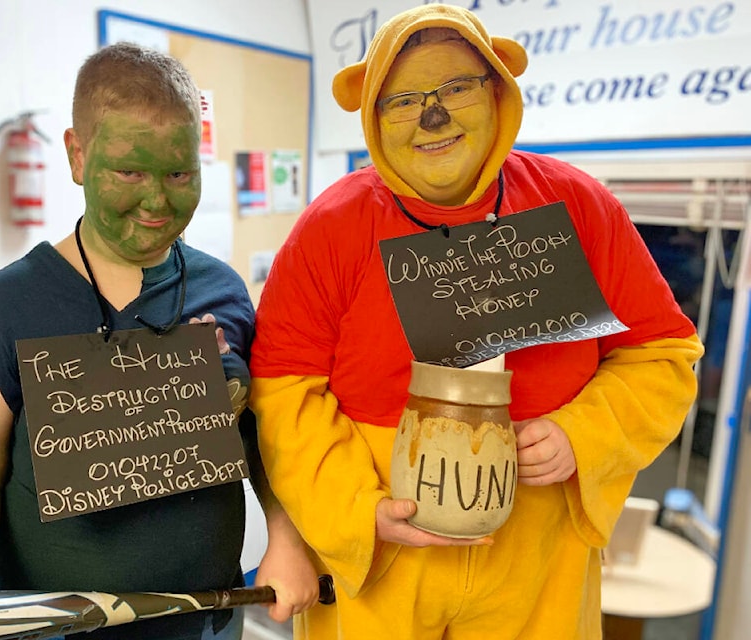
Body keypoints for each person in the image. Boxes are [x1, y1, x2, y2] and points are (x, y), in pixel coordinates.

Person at [248, 5, 703, 640]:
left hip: (539, 556)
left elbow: (664, 352)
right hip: (384, 559)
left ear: (498, 92)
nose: (432, 116)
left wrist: (585, 433)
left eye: (456, 87)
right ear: (372, 117)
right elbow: (283, 390)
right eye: (402, 99)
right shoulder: (331, 228)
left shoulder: (578, 204)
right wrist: (356, 508)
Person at [0, 42, 319, 640]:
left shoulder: (224, 292)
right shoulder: (7, 305)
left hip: (204, 623)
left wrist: (287, 536)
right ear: (78, 156)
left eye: (179, 173)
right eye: (129, 172)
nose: (157, 200)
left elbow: (265, 437)